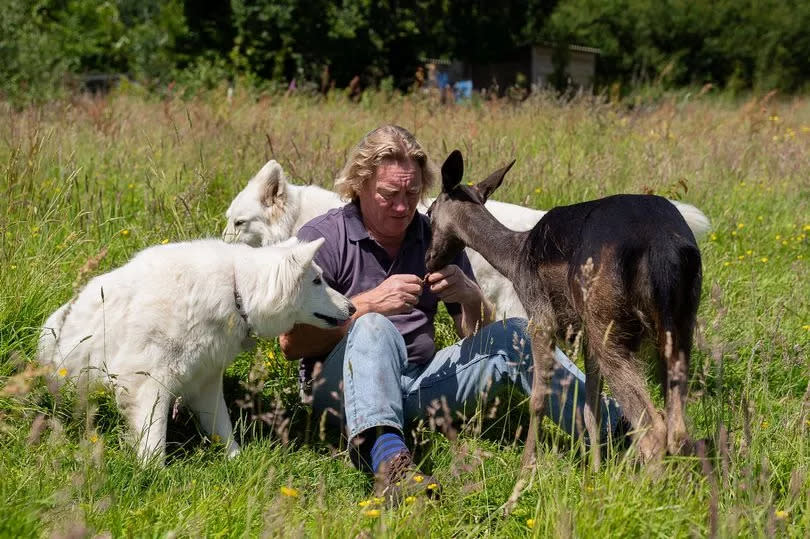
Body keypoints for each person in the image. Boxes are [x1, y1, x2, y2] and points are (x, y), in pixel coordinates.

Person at [279, 125, 625, 504]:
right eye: (389, 195)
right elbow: (290, 343)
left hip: (417, 383)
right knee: (373, 326)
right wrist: (368, 305)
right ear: (359, 186)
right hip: (339, 390)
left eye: (412, 194)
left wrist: (471, 296)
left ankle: (619, 430)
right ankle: (389, 465)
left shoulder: (432, 234)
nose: (402, 206)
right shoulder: (323, 238)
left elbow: (476, 335)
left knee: (514, 334)